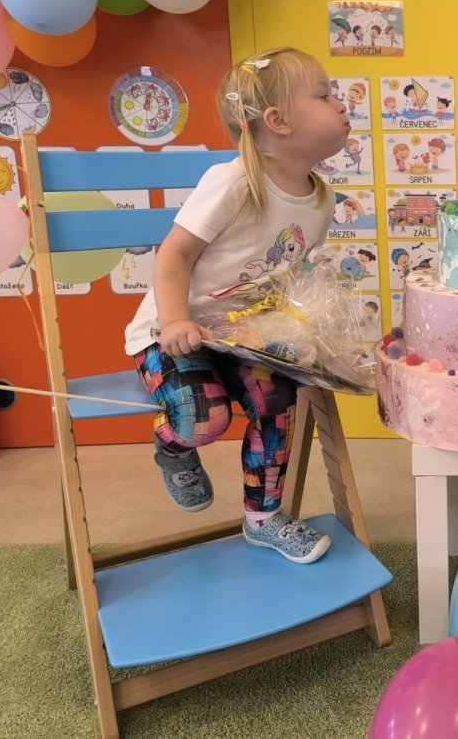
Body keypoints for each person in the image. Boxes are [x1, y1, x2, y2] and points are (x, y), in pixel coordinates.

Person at [123, 48, 350, 565]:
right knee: (204, 420)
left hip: (243, 335)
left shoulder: (321, 198)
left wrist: (304, 326)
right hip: (172, 333)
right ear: (278, 121)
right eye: (324, 95)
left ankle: (263, 519)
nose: (340, 104)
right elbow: (174, 257)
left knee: (277, 402)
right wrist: (175, 320)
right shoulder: (233, 184)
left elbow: (290, 273)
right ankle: (172, 447)